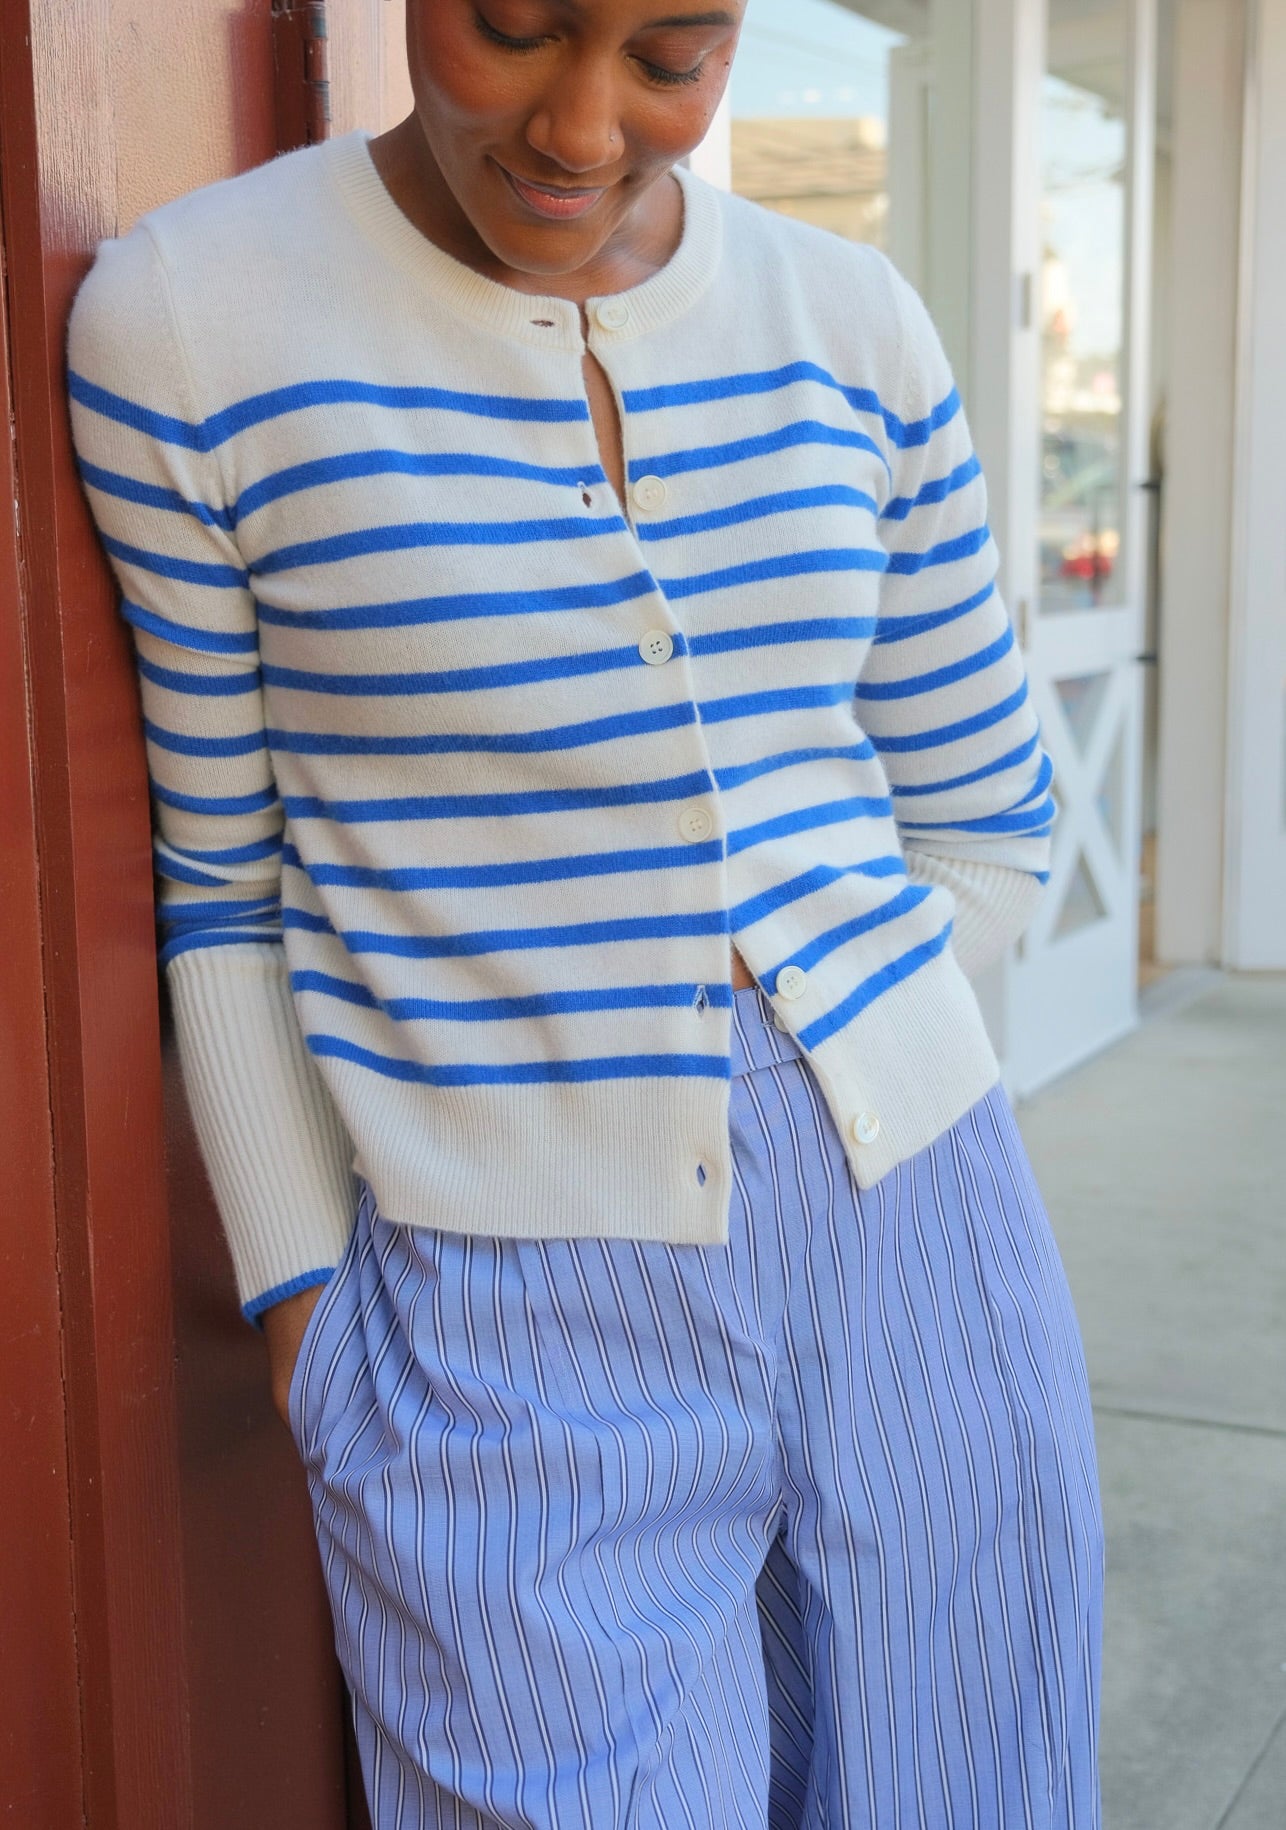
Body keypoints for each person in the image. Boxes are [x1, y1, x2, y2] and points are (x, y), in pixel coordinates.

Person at [68, 1, 1103, 1823]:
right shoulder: (192, 315)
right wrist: (307, 1302)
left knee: (975, 1788)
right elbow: (222, 890)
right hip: (503, 1292)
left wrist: (815, 1050)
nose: (580, 126)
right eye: (515, 28)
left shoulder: (849, 323)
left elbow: (988, 818)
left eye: (670, 55)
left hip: (920, 1236)